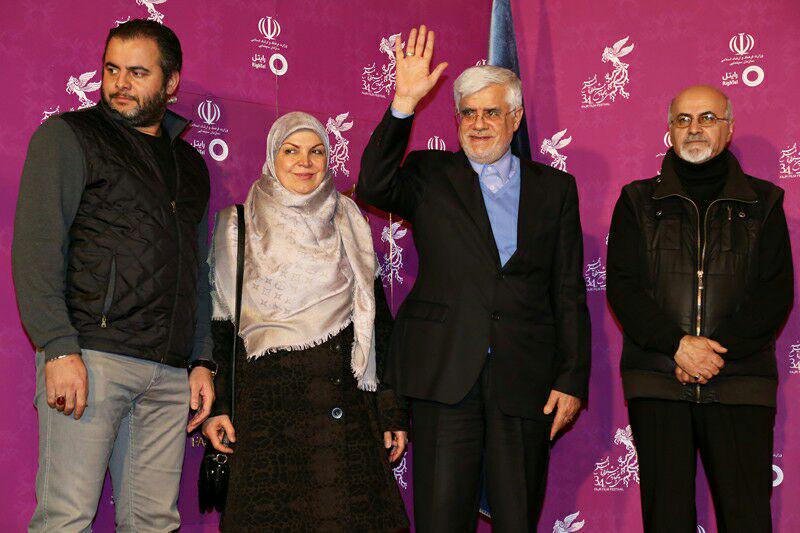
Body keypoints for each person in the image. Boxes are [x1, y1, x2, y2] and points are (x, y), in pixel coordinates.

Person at [356, 26, 591, 532]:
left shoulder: (555, 189)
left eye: (491, 112)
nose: (479, 124)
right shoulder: (428, 173)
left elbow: (568, 290)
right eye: (468, 113)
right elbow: (372, 185)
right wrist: (403, 104)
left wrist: (571, 379)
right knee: (441, 518)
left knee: (517, 516)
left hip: (525, 379)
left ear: (516, 118)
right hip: (445, 374)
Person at [12, 19, 216, 531]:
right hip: (91, 359)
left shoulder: (190, 164)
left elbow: (195, 267)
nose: (120, 83)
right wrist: (58, 347)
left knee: (154, 523)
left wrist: (201, 359)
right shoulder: (69, 136)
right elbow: (37, 247)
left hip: (168, 372)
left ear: (171, 82)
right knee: (66, 518)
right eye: (111, 69)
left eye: (138, 72)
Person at [201, 111, 409, 532]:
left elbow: (378, 324)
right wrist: (219, 407)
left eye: (316, 152)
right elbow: (222, 327)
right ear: (271, 157)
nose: (305, 162)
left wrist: (391, 411)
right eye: (291, 151)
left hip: (345, 409)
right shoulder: (237, 226)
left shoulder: (348, 220)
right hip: (268, 413)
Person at [607, 85, 793, 532]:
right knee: (666, 519)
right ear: (669, 131)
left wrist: (711, 353)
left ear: (729, 129)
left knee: (747, 519)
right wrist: (678, 346)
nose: (694, 128)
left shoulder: (765, 202)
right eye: (683, 119)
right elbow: (624, 288)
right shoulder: (636, 200)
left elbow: (774, 293)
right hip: (658, 381)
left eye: (707, 118)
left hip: (740, 382)